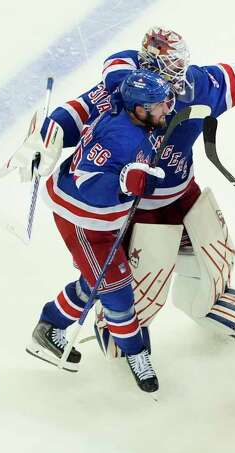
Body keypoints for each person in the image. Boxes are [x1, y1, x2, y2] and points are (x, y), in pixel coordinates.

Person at [5, 27, 235, 349]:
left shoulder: (198, 85)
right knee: (141, 284)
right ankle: (114, 334)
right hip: (138, 208)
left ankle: (208, 304)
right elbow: (79, 112)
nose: (179, 77)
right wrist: (47, 136)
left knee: (216, 254)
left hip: (183, 193)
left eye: (179, 66)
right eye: (170, 69)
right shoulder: (125, 94)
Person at [26, 70, 174, 393]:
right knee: (117, 290)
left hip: (104, 217)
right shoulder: (117, 137)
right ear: (140, 109)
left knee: (96, 282)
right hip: (82, 218)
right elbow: (87, 182)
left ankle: (50, 324)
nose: (166, 109)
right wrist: (124, 182)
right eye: (159, 105)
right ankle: (136, 353)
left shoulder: (136, 113)